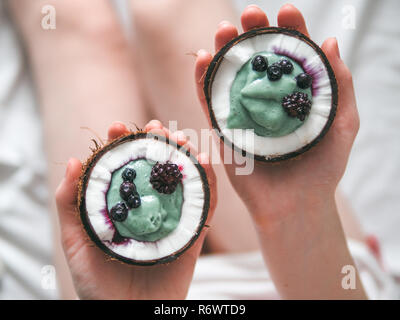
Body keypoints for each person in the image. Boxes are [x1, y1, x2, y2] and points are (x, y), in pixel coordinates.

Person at [5, 1, 399, 299]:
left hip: (130, 284)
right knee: (167, 11)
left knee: (70, 28)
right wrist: (297, 213)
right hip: (318, 276)